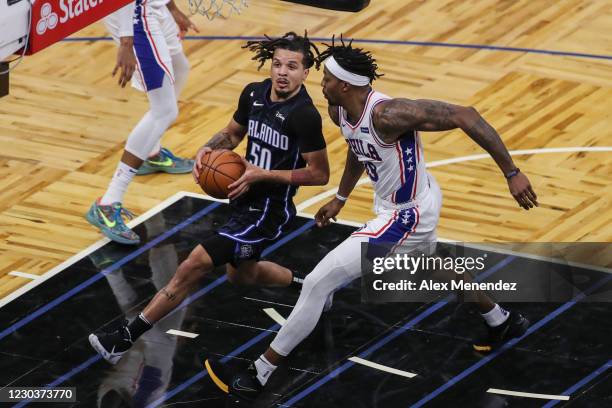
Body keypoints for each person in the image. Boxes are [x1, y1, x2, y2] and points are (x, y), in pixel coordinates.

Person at [205, 35, 539, 401]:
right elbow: (356, 147)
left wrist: (512, 173)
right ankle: (501, 320)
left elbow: (466, 115)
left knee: (317, 283)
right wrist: (341, 198)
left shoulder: (390, 114)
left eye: (327, 80)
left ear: (345, 85)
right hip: (409, 201)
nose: (322, 84)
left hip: (407, 215)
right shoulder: (339, 109)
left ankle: (260, 373)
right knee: (427, 262)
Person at [88, 32, 330, 365]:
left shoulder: (305, 116)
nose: (282, 73)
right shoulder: (254, 93)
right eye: (277, 64)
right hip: (241, 202)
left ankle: (125, 338)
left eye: (292, 66)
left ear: (306, 73)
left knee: (193, 265)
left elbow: (319, 174)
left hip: (266, 213)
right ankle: (311, 283)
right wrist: (210, 147)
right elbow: (232, 133)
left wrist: (262, 174)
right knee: (243, 276)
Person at [86, 0, 198, 245]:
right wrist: (127, 42)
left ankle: (151, 152)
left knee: (180, 68)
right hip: (133, 14)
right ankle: (108, 202)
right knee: (165, 111)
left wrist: (171, 7)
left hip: (150, 7)